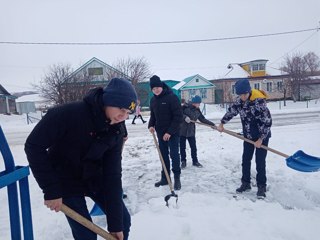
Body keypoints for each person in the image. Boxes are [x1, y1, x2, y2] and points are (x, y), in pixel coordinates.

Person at [25, 78, 137, 240]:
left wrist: (116, 226)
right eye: (121, 108)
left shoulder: (116, 130)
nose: (123, 116)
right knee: (86, 235)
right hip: (65, 178)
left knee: (123, 222)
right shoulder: (67, 114)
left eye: (128, 112)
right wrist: (51, 189)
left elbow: (112, 175)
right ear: (107, 100)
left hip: (93, 176)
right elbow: (34, 146)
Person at [217, 78, 272, 199]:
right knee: (246, 160)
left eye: (244, 94)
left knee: (260, 162)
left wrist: (261, 139)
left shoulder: (259, 102)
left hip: (261, 137)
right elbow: (231, 112)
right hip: (248, 136)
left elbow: (267, 122)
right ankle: (245, 183)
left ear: (249, 92)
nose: (242, 97)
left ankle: (261, 186)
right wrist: (222, 123)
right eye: (240, 95)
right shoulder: (239, 102)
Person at [148, 75, 183, 190]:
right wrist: (151, 125)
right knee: (163, 156)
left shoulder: (172, 98)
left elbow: (178, 117)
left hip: (172, 132)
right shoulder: (153, 100)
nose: (156, 90)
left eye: (157, 87)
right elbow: (153, 116)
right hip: (160, 132)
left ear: (161, 86)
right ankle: (165, 178)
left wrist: (169, 132)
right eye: (153, 89)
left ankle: (177, 178)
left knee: (174, 155)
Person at [180, 95, 215, 169]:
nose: (199, 105)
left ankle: (195, 161)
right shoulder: (185, 107)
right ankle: (183, 161)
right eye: (198, 103)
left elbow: (202, 119)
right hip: (182, 130)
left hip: (191, 131)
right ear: (194, 103)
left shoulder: (197, 110)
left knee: (193, 147)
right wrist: (185, 117)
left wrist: (212, 125)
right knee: (182, 147)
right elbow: (178, 114)